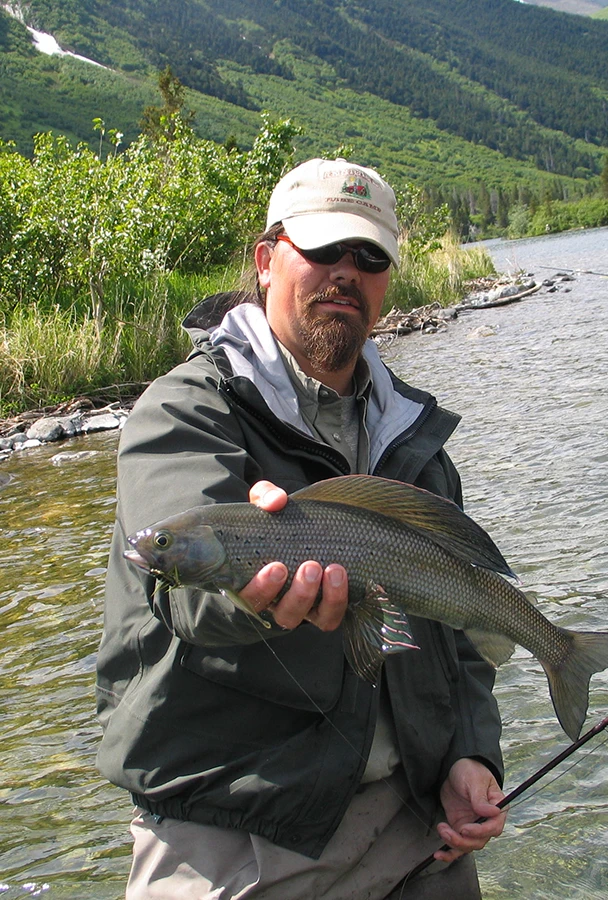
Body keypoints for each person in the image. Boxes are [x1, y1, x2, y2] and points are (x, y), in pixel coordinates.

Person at [96, 157, 507, 899]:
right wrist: (249, 593)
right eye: (322, 249)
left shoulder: (411, 433)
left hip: (418, 820)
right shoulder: (184, 411)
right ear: (266, 260)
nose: (345, 272)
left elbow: (457, 627)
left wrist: (470, 755)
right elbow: (185, 594)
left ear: (387, 281)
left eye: (369, 256)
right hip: (238, 832)